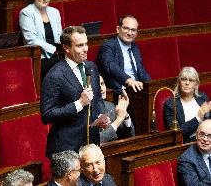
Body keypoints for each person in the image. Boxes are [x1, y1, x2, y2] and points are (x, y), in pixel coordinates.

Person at [41, 26, 110, 158]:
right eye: (80, 45)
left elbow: (97, 99)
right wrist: (79, 103)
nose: (86, 49)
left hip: (92, 145)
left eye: (86, 44)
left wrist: (101, 116)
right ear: (66, 48)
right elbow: (47, 115)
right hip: (66, 149)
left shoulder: (91, 67)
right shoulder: (54, 76)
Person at [97, 15, 150, 96]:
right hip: (119, 92)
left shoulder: (135, 47)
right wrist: (128, 80)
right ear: (118, 29)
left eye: (133, 30)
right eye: (126, 28)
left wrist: (151, 85)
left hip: (136, 91)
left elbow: (141, 71)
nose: (129, 33)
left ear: (136, 33)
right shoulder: (108, 46)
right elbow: (109, 65)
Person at [164, 67, 211, 143]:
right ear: (179, 82)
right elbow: (176, 133)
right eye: (184, 79)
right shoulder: (171, 105)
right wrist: (198, 117)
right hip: (189, 143)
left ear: (196, 84)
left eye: (191, 80)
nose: (187, 83)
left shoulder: (202, 97)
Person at [19, 0, 62, 80]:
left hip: (58, 54)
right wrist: (54, 50)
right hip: (39, 56)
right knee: (63, 66)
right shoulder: (26, 12)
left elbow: (60, 36)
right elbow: (31, 39)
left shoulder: (55, 12)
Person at [99, 75, 135, 143]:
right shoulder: (85, 112)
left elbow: (131, 136)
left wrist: (125, 116)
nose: (101, 88)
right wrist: (118, 120)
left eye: (102, 84)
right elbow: (96, 141)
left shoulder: (112, 107)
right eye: (97, 86)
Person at [177, 119, 211, 185]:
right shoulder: (186, 159)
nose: (205, 139)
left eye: (210, 136)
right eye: (202, 134)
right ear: (196, 136)